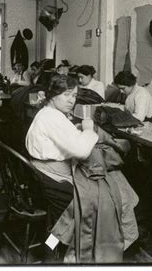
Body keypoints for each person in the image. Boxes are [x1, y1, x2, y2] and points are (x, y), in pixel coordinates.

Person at [25, 74, 138, 262]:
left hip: (44, 172)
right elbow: (81, 151)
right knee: (108, 192)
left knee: (112, 180)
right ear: (53, 95)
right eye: (67, 95)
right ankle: (54, 247)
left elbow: (66, 140)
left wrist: (76, 130)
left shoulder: (48, 113)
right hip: (54, 180)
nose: (72, 100)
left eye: (74, 95)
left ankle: (53, 246)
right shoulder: (52, 118)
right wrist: (87, 129)